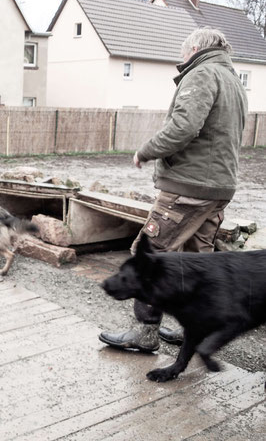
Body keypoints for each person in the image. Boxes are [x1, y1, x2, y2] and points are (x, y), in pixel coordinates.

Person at [99, 27, 248, 351]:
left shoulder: (202, 73)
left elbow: (184, 126)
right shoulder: (233, 80)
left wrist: (146, 151)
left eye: (183, 54)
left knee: (151, 253)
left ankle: (145, 333)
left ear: (194, 48)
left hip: (190, 186)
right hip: (219, 186)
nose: (182, 60)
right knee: (198, 259)